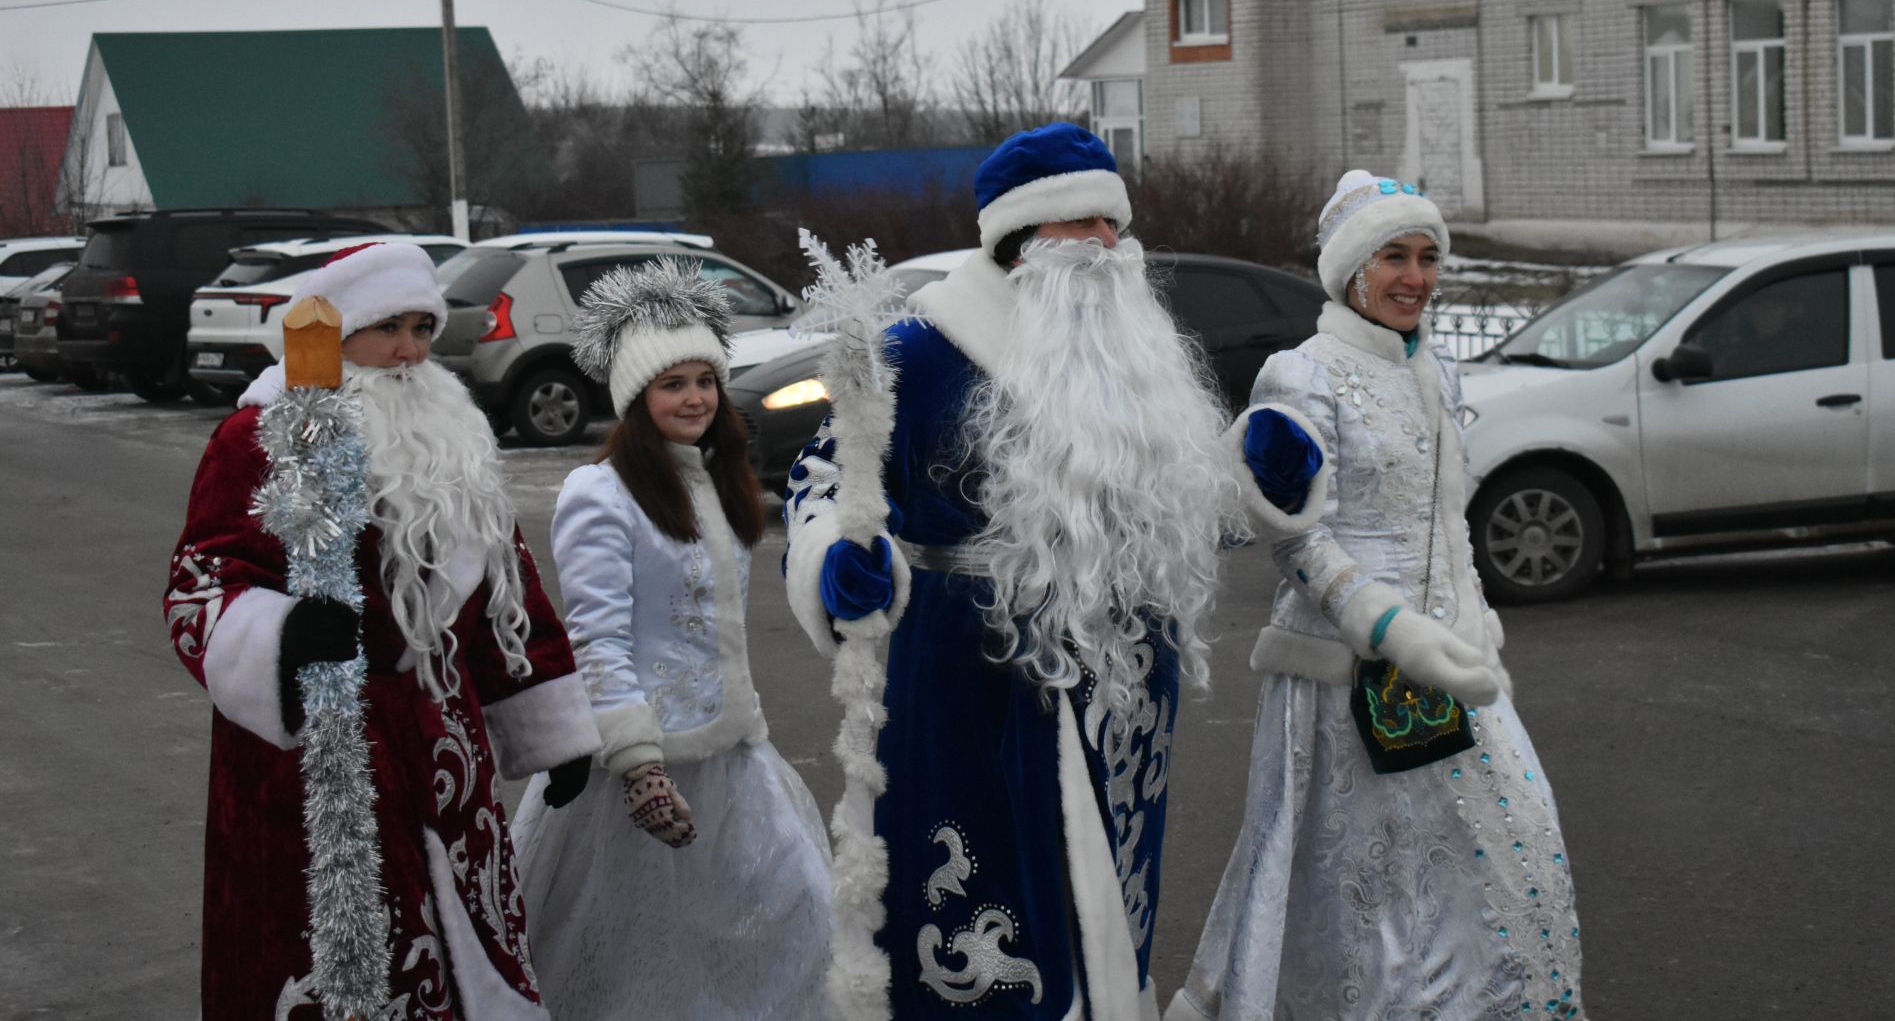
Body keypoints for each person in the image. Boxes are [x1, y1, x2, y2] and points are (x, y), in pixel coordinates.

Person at [783, 124, 1316, 1021]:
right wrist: (838, 557)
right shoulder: (920, 352)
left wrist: (1259, 472)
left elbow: (1177, 508)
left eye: (1115, 226)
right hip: (974, 683)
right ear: (1019, 240)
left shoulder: (1128, 358)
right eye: (1081, 226)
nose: (1107, 248)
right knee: (994, 923)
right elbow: (825, 478)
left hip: (1123, 684)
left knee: (1109, 909)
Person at [1167, 171, 1585, 1021]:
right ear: (1352, 270)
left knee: (1516, 852)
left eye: (1429, 257)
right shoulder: (1302, 374)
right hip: (1345, 681)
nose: (1417, 277)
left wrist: (1469, 625)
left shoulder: (1436, 373)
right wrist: (1385, 625)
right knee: (1371, 897)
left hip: (1451, 669)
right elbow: (1293, 538)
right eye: (1394, 255)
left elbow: (1447, 521)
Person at [163, 241, 603, 1019]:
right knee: (331, 961)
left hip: (444, 749)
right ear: (333, 337)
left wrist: (547, 715)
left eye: (421, 328)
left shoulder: (453, 432)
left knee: (467, 956)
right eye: (385, 329)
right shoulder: (259, 438)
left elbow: (506, 580)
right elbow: (202, 579)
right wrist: (277, 636)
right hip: (310, 756)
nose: (408, 351)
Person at [511, 260, 833, 1020]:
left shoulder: (716, 482)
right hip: (640, 770)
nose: (693, 398)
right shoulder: (600, 495)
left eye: (704, 380)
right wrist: (638, 766)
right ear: (635, 397)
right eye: (671, 384)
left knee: (796, 913)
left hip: (732, 758)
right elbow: (597, 640)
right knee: (637, 960)